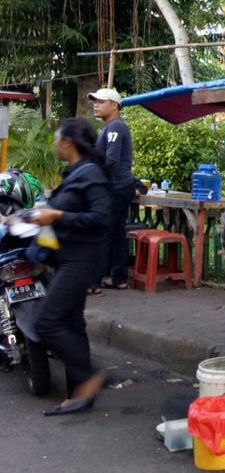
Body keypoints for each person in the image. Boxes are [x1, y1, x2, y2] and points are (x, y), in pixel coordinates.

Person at [29, 118, 112, 415]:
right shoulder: (77, 173)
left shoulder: (90, 174)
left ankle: (89, 380)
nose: (54, 144)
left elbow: (102, 217)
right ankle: (80, 395)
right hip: (69, 257)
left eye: (56, 139)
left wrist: (58, 216)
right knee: (72, 324)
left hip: (83, 259)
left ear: (68, 143)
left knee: (46, 321)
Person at [88, 87, 134, 292]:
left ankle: (94, 282)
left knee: (102, 234)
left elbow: (111, 162)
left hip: (114, 187)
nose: (96, 105)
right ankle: (119, 278)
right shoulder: (111, 127)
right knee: (116, 234)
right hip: (121, 187)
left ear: (114, 105)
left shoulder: (115, 128)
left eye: (101, 101)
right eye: (95, 101)